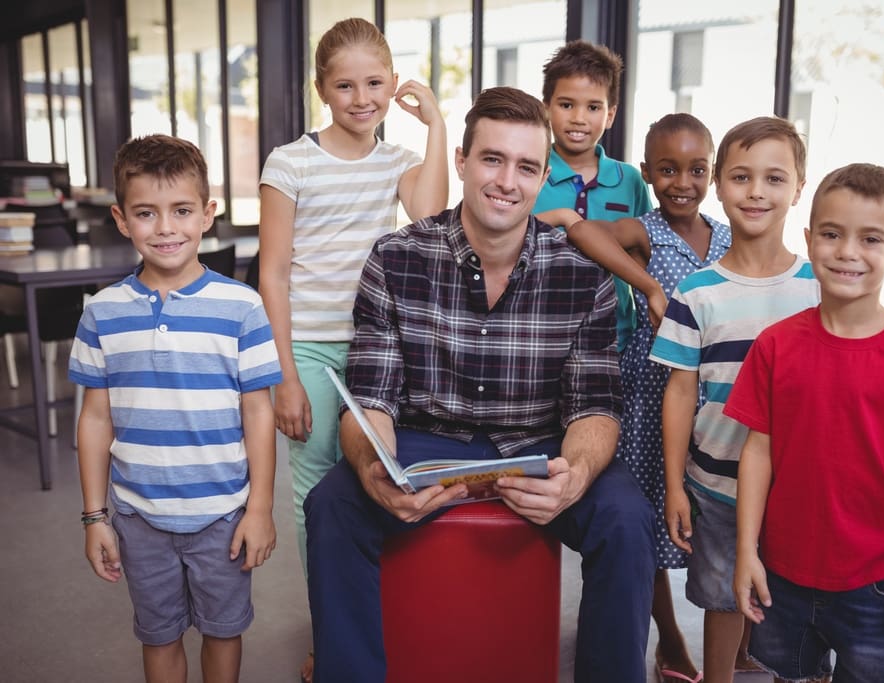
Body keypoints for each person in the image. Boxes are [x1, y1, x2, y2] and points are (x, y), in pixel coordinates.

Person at [303, 86, 657, 683]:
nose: (506, 182)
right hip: (425, 443)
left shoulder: (583, 275)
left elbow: (595, 408)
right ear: (462, 159)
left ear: (543, 176)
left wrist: (573, 477)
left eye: (525, 167)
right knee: (333, 505)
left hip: (539, 445)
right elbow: (372, 398)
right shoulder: (395, 258)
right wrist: (372, 469)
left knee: (625, 516)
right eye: (492, 159)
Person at [728, 163, 884, 682]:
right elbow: (757, 452)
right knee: (788, 675)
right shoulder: (775, 346)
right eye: (832, 234)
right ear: (809, 238)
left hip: (878, 584)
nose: (847, 252)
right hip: (783, 575)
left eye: (870, 239)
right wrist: (746, 551)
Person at [257, 17, 447, 679]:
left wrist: (437, 125)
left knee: (375, 486)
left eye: (374, 83)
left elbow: (429, 220)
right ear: (322, 89)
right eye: (345, 85)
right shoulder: (289, 161)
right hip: (306, 349)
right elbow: (273, 272)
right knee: (317, 500)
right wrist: (283, 374)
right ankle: (332, 637)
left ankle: (376, 620)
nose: (361, 97)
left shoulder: (398, 161)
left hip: (375, 348)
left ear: (392, 84)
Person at [70, 134, 282, 683]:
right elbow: (95, 419)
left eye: (182, 211)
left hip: (222, 514)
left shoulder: (242, 306)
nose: (165, 228)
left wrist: (259, 508)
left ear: (208, 214)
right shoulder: (102, 312)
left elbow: (258, 413)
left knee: (223, 631)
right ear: (122, 219)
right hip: (139, 516)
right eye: (147, 213)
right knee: (158, 635)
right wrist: (95, 517)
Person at [648, 116, 820, 683]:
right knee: (723, 600)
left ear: (798, 188)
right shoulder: (695, 292)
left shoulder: (821, 288)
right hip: (716, 485)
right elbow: (679, 392)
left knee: (798, 606)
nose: (756, 191)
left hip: (800, 490)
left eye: (774, 178)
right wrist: (674, 485)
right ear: (719, 184)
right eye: (742, 177)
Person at [562, 113, 730, 682]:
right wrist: (649, 285)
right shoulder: (644, 232)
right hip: (650, 394)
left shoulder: (730, 235)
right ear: (647, 173)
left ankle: (741, 638)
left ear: (714, 173)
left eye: (696, 169)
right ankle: (671, 640)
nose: (682, 181)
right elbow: (580, 232)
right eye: (667, 169)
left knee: (723, 518)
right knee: (651, 517)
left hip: (719, 402)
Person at [532, 39, 653, 352]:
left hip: (617, 337)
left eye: (593, 107)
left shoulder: (630, 181)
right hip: (541, 333)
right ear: (546, 107)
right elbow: (508, 233)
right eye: (567, 104)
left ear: (610, 114)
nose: (579, 118)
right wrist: (560, 218)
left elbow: (646, 253)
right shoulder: (529, 172)